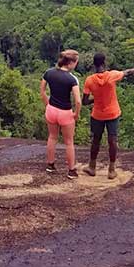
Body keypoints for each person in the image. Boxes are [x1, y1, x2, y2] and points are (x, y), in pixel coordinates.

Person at [81, 52, 134, 179]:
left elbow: (85, 102)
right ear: (104, 63)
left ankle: (92, 167)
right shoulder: (112, 76)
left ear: (94, 65)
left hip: (97, 115)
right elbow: (126, 72)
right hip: (113, 114)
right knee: (112, 140)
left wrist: (96, 99)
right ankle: (111, 170)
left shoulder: (89, 80)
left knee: (95, 140)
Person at [41, 49, 82, 179]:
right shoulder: (72, 79)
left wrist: (47, 103)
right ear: (70, 63)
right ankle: (71, 171)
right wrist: (76, 114)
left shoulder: (49, 72)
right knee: (69, 142)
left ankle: (50, 165)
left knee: (52, 137)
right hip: (65, 112)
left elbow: (42, 90)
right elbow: (78, 101)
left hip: (51, 109)